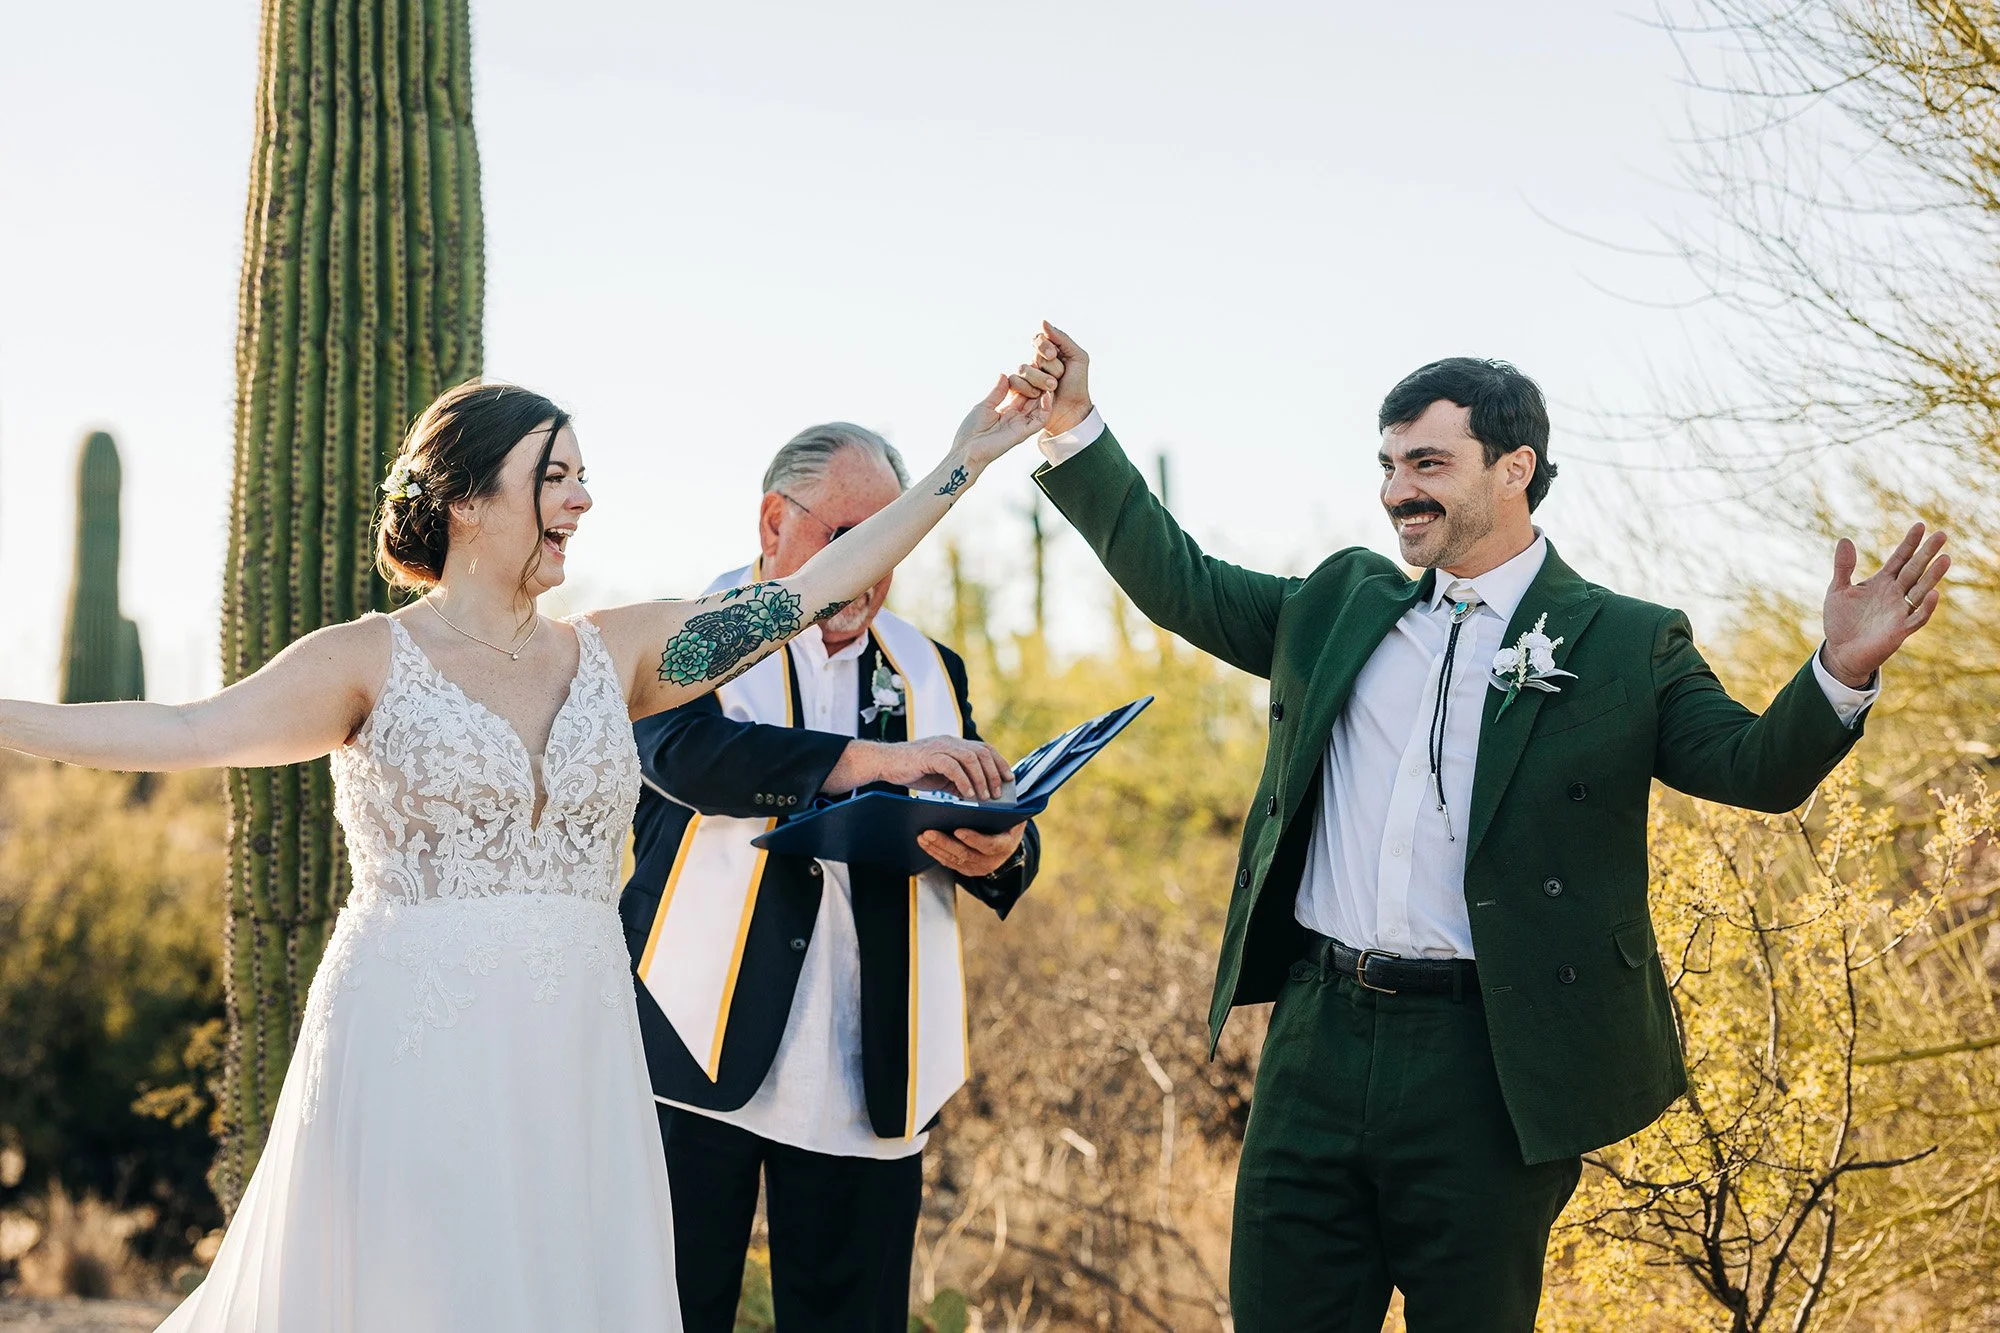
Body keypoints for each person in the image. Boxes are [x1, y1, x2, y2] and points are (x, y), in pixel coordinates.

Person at [0, 371, 1047, 1332]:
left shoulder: (620, 653)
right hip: (416, 1049)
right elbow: (187, 731)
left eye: (584, 478)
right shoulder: (370, 659)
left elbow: (809, 591)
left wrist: (969, 457)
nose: (582, 500)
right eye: (554, 476)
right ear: (463, 499)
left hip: (579, 1058)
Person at [1010, 325, 1946, 1332]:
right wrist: (1073, 428)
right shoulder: (1334, 605)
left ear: (1513, 469)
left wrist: (1838, 671)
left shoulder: (1625, 640)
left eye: (1426, 463)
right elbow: (1178, 580)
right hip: (1313, 1042)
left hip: (1486, 1062)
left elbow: (1751, 769)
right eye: (1387, 465)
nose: (1395, 491)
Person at [619, 421, 1039, 1332]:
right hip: (688, 1049)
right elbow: (688, 755)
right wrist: (873, 762)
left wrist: (1006, 855)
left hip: (869, 1061)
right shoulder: (687, 639)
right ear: (774, 524)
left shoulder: (933, 670)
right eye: (843, 540)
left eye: (890, 540)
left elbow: (987, 809)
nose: (869, 568)